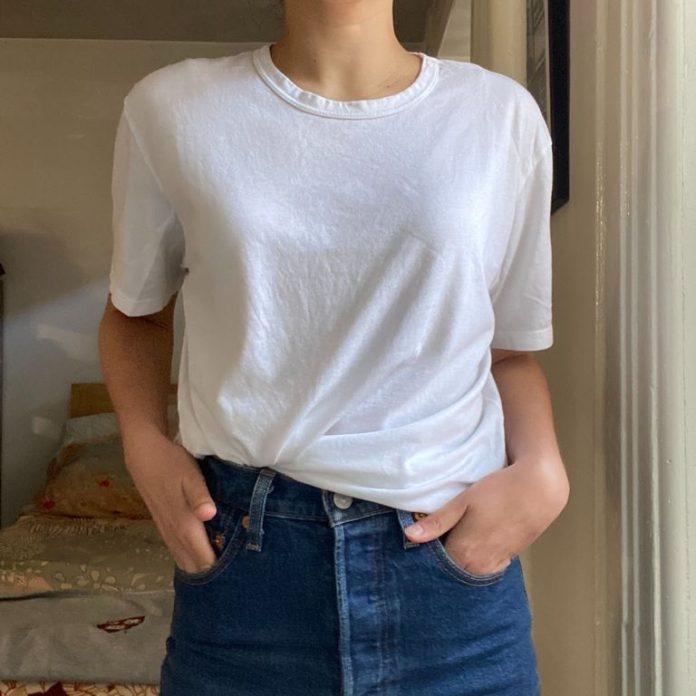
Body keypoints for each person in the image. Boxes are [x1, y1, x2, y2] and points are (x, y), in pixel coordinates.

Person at [99, 1, 570, 694]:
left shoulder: (501, 116)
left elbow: (509, 351)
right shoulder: (171, 108)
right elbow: (135, 315)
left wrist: (544, 471)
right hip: (244, 565)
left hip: (448, 572)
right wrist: (142, 444)